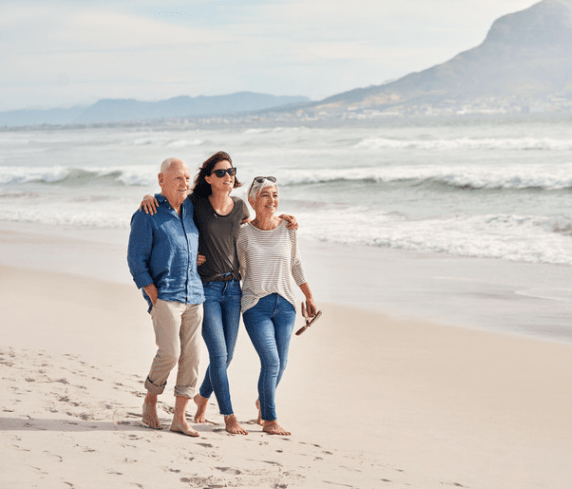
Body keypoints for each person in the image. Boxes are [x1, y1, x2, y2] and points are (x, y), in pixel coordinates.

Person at [139, 151, 297, 435]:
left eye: (231, 171)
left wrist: (282, 218)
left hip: (233, 290)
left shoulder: (239, 208)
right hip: (207, 289)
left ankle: (202, 397)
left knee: (228, 356)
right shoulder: (195, 204)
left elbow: (259, 229)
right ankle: (229, 417)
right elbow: (170, 199)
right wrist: (149, 197)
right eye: (221, 172)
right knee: (219, 355)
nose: (228, 176)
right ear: (209, 178)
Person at [127, 157, 205, 437]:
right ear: (161, 181)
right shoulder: (147, 213)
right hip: (165, 296)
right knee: (170, 353)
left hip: (195, 294)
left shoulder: (191, 209)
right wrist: (152, 293)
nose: (184, 183)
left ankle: (179, 417)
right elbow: (136, 258)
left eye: (186, 178)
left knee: (192, 358)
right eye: (177, 178)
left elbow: (223, 210)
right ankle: (151, 398)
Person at [237, 176, 318, 436]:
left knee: (280, 364)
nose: (272, 200)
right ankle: (270, 420)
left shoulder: (288, 228)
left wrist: (309, 296)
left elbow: (295, 264)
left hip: (285, 305)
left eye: (275, 195)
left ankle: (264, 400)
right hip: (255, 305)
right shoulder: (243, 233)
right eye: (265, 195)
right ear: (252, 200)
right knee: (271, 361)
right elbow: (236, 269)